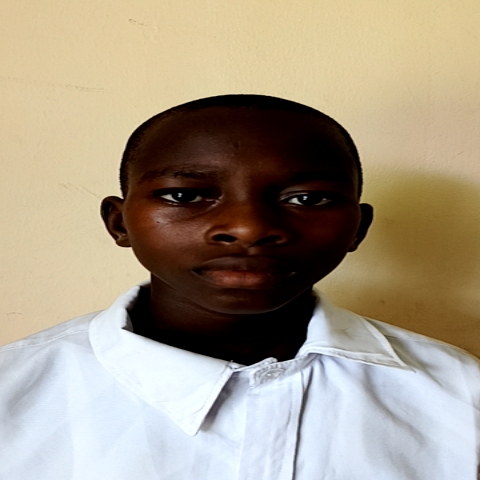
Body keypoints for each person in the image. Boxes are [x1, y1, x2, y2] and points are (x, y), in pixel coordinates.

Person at [0, 94, 479, 479]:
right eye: (184, 195)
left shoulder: (461, 394)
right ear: (119, 222)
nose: (249, 228)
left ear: (358, 228)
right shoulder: (14, 392)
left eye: (307, 199)